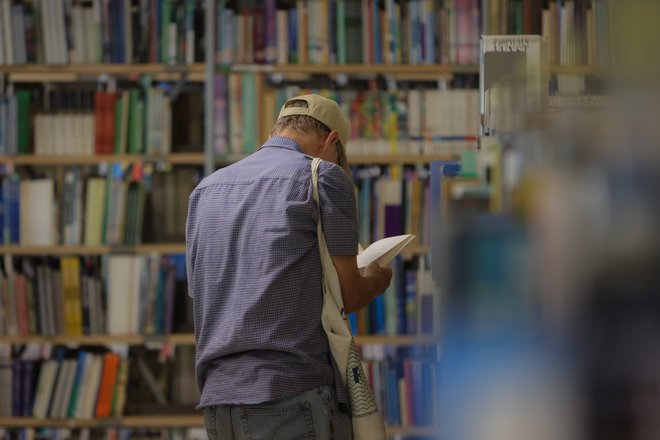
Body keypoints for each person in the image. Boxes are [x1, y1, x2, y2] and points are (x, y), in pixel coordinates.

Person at [186, 94, 392, 440]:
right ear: (332, 142)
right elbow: (349, 296)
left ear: (274, 132)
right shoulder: (324, 176)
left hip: (218, 399)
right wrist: (375, 277)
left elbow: (201, 291)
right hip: (292, 391)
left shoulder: (205, 189)